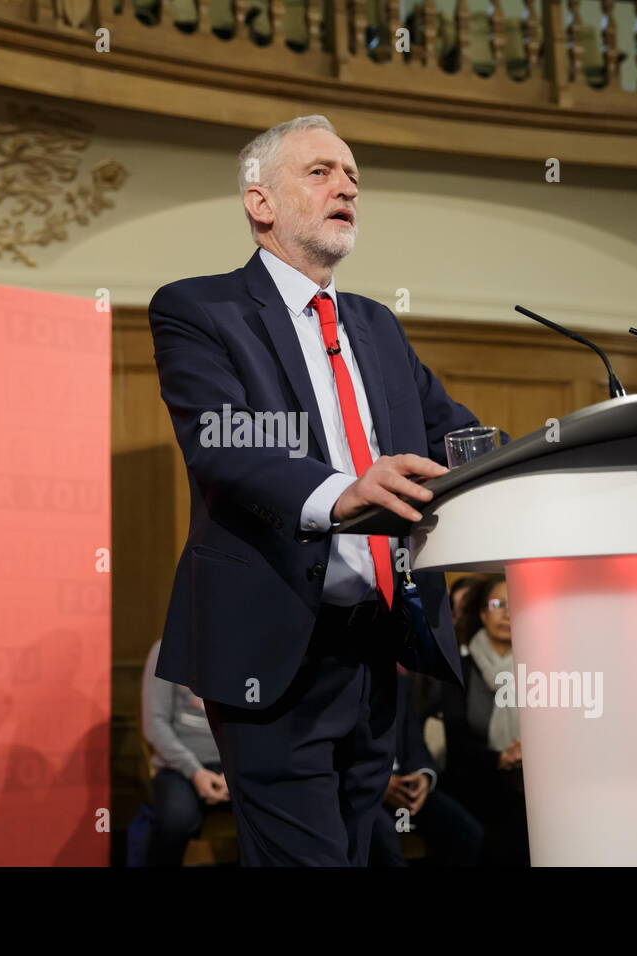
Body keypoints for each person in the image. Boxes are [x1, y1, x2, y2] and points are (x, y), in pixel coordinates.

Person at [148, 114, 483, 866]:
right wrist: (340, 493)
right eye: (321, 172)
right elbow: (223, 440)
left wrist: (549, 453)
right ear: (259, 202)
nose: (348, 187)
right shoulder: (200, 309)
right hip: (273, 648)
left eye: (353, 175)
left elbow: (455, 435)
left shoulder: (376, 326)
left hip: (378, 649)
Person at [433, 574, 530, 866]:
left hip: (529, 783)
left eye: (518, 605)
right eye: (499, 604)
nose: (508, 613)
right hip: (476, 782)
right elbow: (457, 738)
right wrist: (501, 757)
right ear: (483, 613)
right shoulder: (459, 670)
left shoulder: (540, 667)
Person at [369, 666, 485, 867]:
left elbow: (415, 744)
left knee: (467, 832)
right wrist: (379, 782)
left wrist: (423, 776)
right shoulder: (345, 680)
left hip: (405, 786)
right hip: (364, 789)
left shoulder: (399, 681)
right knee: (387, 847)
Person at [140, 639, 229, 866]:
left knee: (274, 816)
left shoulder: (239, 648)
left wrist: (236, 771)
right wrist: (194, 771)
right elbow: (155, 723)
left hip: (234, 765)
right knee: (175, 822)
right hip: (179, 766)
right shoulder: (166, 649)